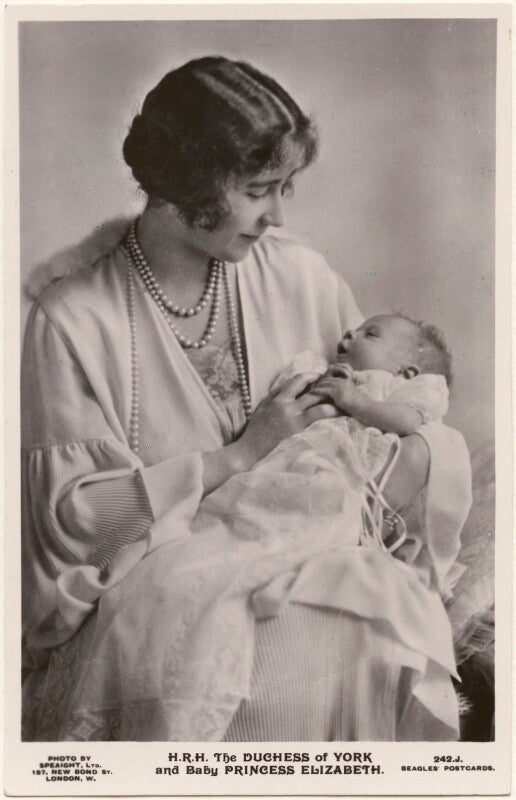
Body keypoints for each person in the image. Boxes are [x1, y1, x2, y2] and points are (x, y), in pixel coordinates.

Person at [21, 55, 471, 742]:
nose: (279, 215)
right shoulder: (74, 320)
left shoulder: (300, 276)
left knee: (369, 632)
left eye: (286, 186)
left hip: (312, 560)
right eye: (261, 189)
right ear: (186, 182)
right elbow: (74, 525)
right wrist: (239, 457)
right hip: (156, 592)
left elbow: (400, 433)